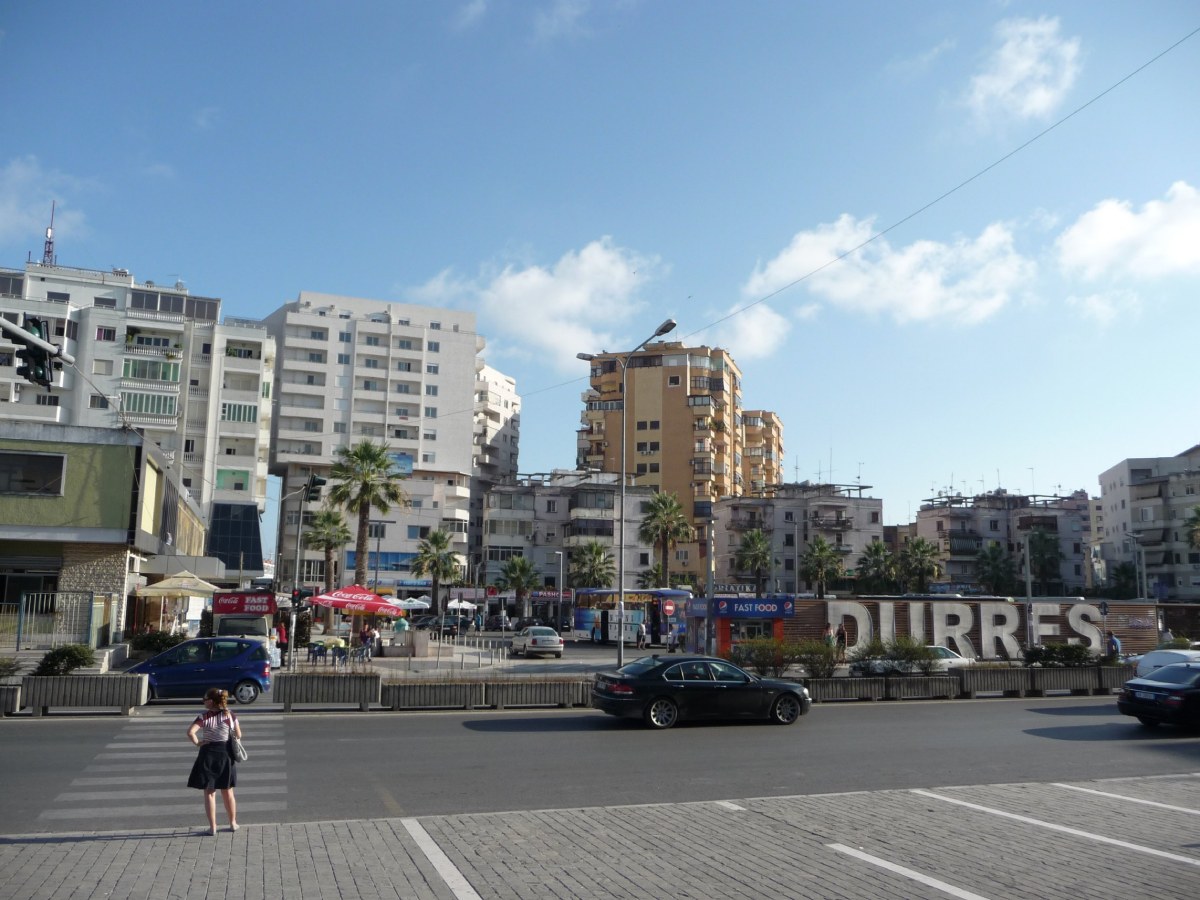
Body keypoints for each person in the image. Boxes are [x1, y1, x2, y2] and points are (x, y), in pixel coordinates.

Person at [186, 687, 241, 835]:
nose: (204, 702)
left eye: (205, 699)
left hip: (208, 754)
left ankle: (213, 827)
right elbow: (238, 734)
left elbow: (190, 732)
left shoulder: (203, 716)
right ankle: (233, 823)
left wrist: (198, 742)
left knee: (209, 792)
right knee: (228, 791)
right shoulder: (230, 715)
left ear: (211, 701)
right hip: (225, 755)